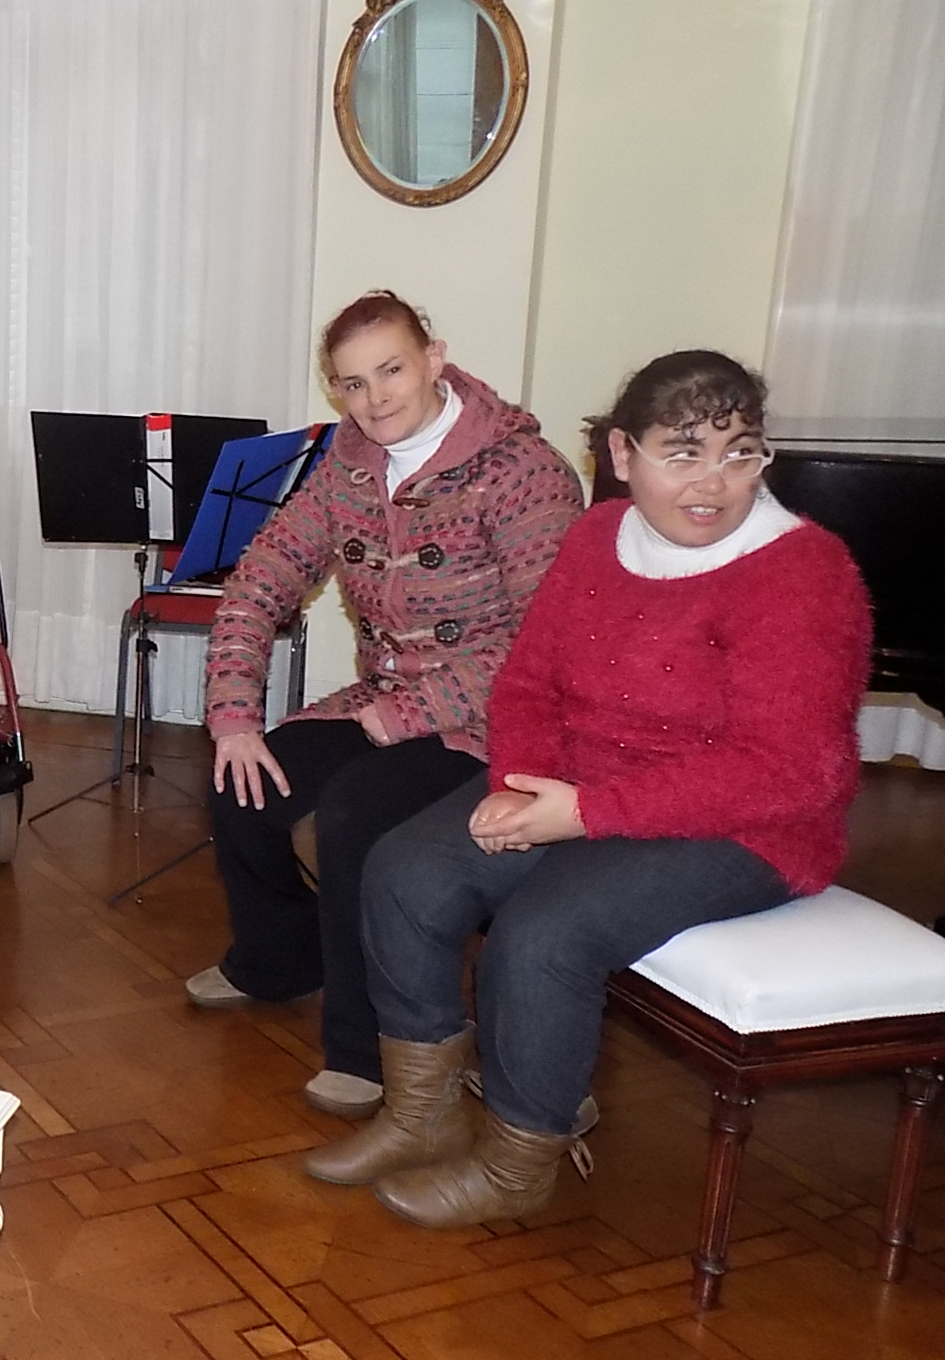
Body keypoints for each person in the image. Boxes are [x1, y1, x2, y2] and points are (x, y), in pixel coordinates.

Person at [309, 351, 871, 1225]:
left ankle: (517, 1162)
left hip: (746, 827)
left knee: (543, 934)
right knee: (405, 871)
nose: (714, 483)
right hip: (583, 788)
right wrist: (516, 786)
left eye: (741, 452)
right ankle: (420, 1115)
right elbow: (529, 684)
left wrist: (584, 813)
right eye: (684, 453)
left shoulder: (803, 571)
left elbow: (792, 773)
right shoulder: (595, 537)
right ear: (622, 453)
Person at [190, 292, 583, 1120]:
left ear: (435, 358)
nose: (375, 398)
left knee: (354, 813)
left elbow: (547, 640)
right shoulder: (349, 463)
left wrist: (410, 712)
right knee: (241, 783)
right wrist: (233, 715)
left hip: (493, 719)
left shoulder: (524, 469)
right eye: (351, 383)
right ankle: (276, 960)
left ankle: (364, 1047)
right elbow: (264, 575)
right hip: (383, 698)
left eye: (392, 370)